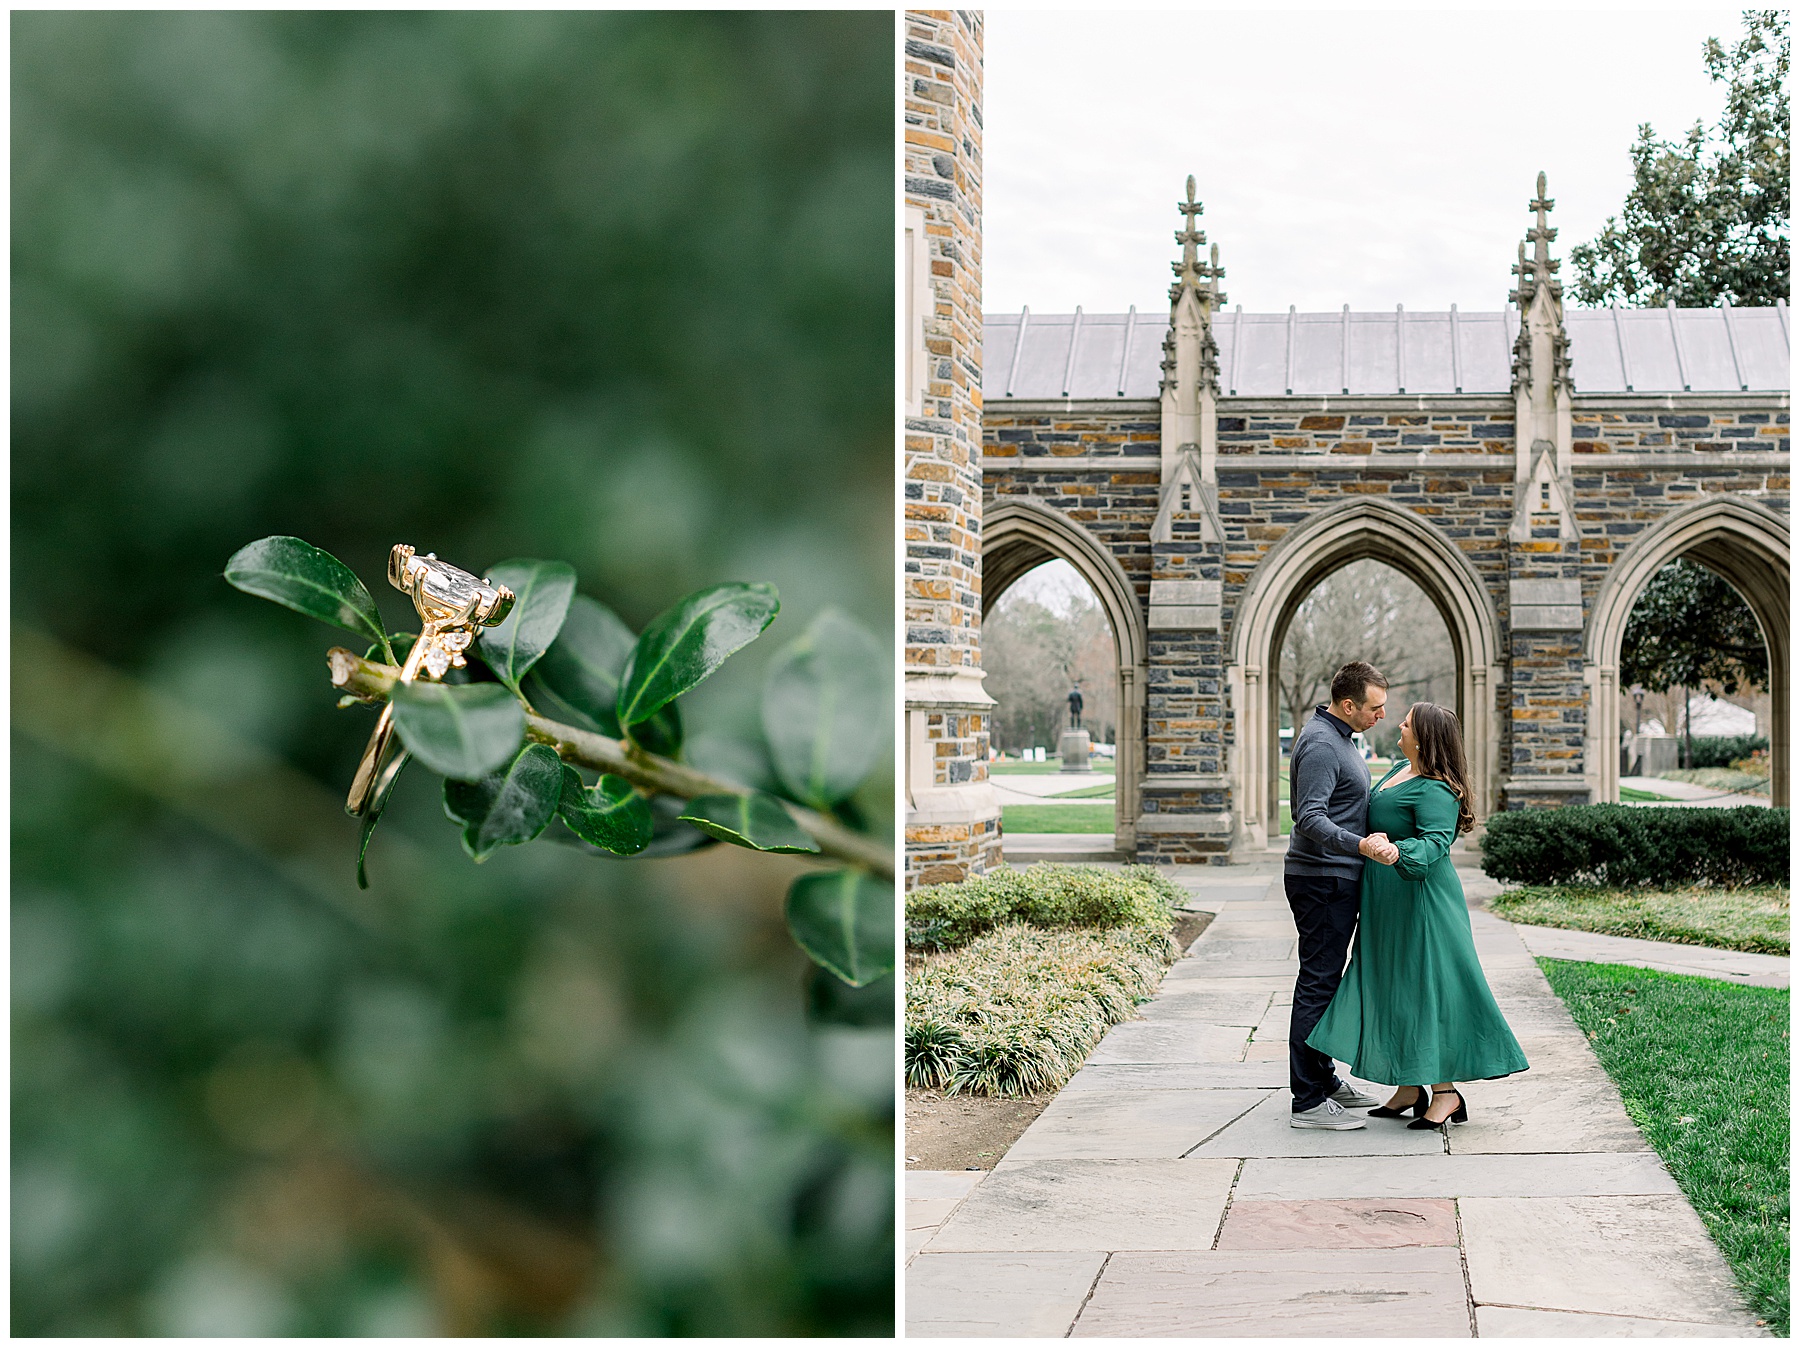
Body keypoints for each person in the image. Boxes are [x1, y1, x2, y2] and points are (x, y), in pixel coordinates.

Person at [1307, 702, 1529, 1129]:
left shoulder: (1437, 789)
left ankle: (1446, 1094)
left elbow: (1433, 846)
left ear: (1424, 736)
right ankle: (1409, 1087)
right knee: (1395, 986)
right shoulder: (1396, 772)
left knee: (1427, 989)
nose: (1399, 724)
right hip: (1386, 901)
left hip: (1423, 904)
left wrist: (1395, 850)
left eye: (1407, 722)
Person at [1283, 661, 1400, 1130]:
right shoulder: (1320, 743)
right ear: (1348, 704)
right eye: (1374, 708)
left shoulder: (1339, 738)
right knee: (1317, 983)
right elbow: (1308, 818)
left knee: (1326, 984)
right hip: (1322, 880)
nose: (1381, 716)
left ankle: (1325, 1079)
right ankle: (1308, 1101)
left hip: (1334, 878)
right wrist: (1360, 845)